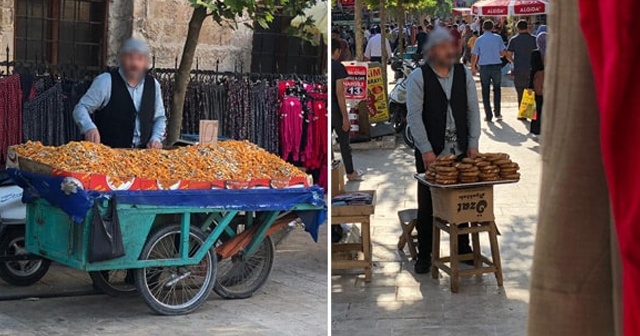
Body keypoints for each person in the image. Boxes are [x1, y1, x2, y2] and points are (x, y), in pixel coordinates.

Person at [406, 28, 481, 274]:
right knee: (428, 202)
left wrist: (473, 143)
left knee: (462, 198)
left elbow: (472, 110)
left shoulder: (462, 74)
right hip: (432, 149)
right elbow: (414, 117)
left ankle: (463, 247)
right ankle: (425, 252)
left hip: (459, 147)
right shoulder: (419, 77)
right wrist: (426, 150)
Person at [73, 38, 166, 149]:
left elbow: (159, 118)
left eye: (139, 59)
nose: (134, 64)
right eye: (130, 58)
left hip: (143, 156)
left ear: (145, 63)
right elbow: (81, 108)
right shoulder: (105, 81)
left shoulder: (153, 84)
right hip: (108, 154)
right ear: (122, 59)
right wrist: (89, 127)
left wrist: (155, 138)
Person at [331, 39, 364, 181]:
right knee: (344, 141)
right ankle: (350, 172)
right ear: (337, 51)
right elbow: (340, 93)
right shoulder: (338, 67)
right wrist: (345, 116)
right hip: (336, 110)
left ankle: (332, 168)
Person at [471, 20, 507, 122]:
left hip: (484, 68)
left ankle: (488, 115)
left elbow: (474, 55)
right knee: (497, 89)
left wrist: (473, 67)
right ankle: (498, 113)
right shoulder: (498, 38)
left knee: (485, 90)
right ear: (492, 28)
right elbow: (503, 53)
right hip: (496, 66)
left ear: (483, 28)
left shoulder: (479, 39)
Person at [506, 20, 538, 114]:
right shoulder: (534, 39)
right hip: (532, 68)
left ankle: (522, 111)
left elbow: (508, 54)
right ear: (527, 27)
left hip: (519, 68)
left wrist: (513, 61)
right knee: (529, 89)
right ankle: (527, 112)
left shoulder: (514, 40)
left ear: (517, 28)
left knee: (520, 90)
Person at [529, 32, 547, 136]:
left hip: (538, 82)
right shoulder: (553, 53)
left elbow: (533, 70)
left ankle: (536, 129)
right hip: (550, 82)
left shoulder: (535, 54)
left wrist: (530, 86)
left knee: (537, 106)